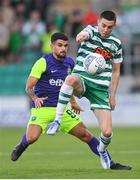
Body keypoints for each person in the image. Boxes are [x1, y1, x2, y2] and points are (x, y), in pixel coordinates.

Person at [11, 32, 131, 170]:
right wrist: (34, 98)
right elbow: (28, 86)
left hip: (62, 110)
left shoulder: (70, 63)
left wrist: (73, 102)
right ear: (52, 46)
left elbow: (68, 87)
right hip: (42, 108)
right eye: (59, 45)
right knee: (32, 138)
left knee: (86, 135)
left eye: (66, 46)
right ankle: (21, 146)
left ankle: (111, 163)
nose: (63, 48)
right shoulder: (42, 62)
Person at [47, 11, 131, 169]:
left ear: (115, 26)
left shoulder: (116, 44)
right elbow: (81, 35)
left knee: (107, 133)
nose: (105, 29)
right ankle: (57, 120)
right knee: (70, 78)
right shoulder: (91, 31)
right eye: (103, 25)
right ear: (98, 22)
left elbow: (116, 71)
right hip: (83, 81)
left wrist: (113, 95)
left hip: (100, 89)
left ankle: (102, 150)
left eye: (109, 27)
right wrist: (82, 36)